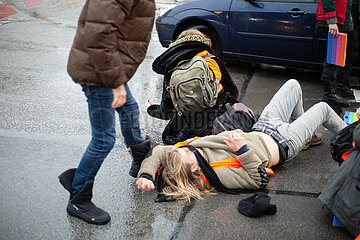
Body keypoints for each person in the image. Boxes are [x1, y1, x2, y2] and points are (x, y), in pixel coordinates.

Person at [136, 79, 347, 202]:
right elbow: (259, 180)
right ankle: (351, 139)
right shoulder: (218, 173)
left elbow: (161, 152)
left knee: (293, 85)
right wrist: (242, 150)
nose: (188, 147)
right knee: (323, 109)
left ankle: (306, 136)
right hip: (283, 142)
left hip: (263, 126)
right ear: (192, 169)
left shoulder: (189, 154)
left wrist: (147, 175)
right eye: (187, 153)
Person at [58, 0, 155, 225]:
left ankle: (140, 161)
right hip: (99, 72)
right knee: (103, 140)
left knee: (129, 109)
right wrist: (116, 83)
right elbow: (97, 37)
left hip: (109, 67)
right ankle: (78, 197)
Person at [147, 29, 239, 145]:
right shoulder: (212, 61)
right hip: (215, 125)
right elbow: (233, 93)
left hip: (184, 131)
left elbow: (167, 111)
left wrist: (151, 108)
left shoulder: (172, 69)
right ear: (204, 42)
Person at [316, 0, 359, 107]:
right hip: (337, 19)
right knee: (334, 57)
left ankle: (338, 86)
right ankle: (329, 94)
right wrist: (331, 21)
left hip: (344, 17)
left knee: (348, 52)